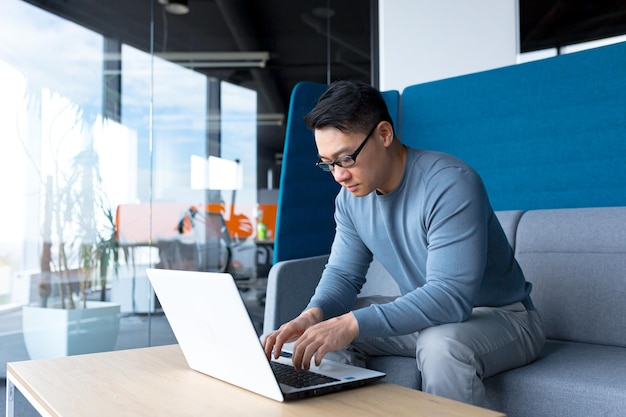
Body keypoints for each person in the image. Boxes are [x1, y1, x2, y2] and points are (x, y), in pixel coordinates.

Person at [262, 80, 545, 407]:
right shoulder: (351, 199)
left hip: (505, 318)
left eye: (346, 158)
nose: (338, 175)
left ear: (384, 134)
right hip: (432, 317)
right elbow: (343, 275)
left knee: (441, 345)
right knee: (320, 335)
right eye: (328, 163)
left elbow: (450, 296)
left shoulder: (449, 183)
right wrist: (314, 315)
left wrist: (352, 323)